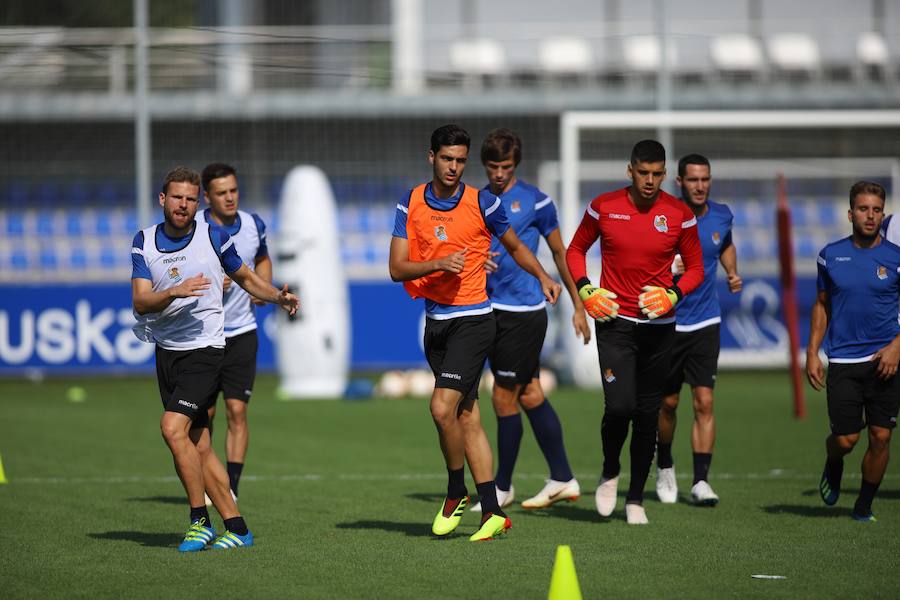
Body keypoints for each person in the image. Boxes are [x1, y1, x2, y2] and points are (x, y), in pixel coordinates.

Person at [389, 124, 561, 541]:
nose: (453, 167)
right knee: (467, 416)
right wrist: (438, 263)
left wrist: (543, 275)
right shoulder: (410, 202)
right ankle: (493, 512)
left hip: (475, 320)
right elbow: (397, 268)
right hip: (437, 323)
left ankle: (454, 492)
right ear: (431, 157)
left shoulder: (483, 202)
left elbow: (517, 246)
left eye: (461, 160)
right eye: (447, 158)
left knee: (441, 408)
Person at [131, 166, 298, 551]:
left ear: (196, 203)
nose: (184, 205)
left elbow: (246, 276)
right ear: (162, 199)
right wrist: (175, 291)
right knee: (199, 444)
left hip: (206, 350)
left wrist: (277, 296)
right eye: (177, 197)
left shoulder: (213, 235)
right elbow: (140, 300)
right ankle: (238, 528)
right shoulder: (144, 242)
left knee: (173, 429)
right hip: (167, 353)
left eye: (190, 199)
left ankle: (199, 522)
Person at [565, 139, 704, 525]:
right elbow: (574, 250)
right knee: (620, 407)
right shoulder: (604, 207)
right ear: (630, 171)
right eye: (643, 173)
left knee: (647, 414)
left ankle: (636, 498)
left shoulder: (679, 214)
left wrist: (673, 294)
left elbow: (695, 268)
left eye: (657, 174)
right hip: (614, 323)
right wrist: (586, 289)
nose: (650, 181)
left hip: (659, 328)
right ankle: (610, 469)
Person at [469, 128, 590, 513]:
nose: (499, 173)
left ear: (515, 165)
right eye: (492, 166)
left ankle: (501, 487)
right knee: (530, 393)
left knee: (503, 396)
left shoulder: (537, 203)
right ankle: (562, 477)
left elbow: (559, 253)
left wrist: (579, 304)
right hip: (488, 309)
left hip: (522, 313)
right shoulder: (475, 201)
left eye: (505, 166)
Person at [806, 180, 900, 523]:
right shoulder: (830, 255)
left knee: (880, 436)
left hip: (885, 361)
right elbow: (821, 305)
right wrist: (812, 351)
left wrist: (897, 347)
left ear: (883, 214)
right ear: (850, 213)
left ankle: (863, 506)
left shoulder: (896, 258)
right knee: (846, 440)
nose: (870, 216)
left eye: (876, 210)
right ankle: (833, 462)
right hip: (844, 361)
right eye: (863, 209)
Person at [656, 154, 742, 506]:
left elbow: (725, 244)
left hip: (706, 321)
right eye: (693, 180)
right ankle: (664, 465)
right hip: (668, 323)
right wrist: (667, 267)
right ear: (679, 182)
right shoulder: (664, 218)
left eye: (705, 179)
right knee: (668, 402)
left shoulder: (721, 215)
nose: (700, 186)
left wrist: (732, 271)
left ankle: (701, 481)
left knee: (704, 401)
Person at [198, 163, 271, 505]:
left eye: (233, 191)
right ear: (207, 196)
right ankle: (207, 477)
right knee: (205, 414)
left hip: (243, 331)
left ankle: (231, 487)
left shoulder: (254, 224)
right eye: (221, 193)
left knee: (237, 412)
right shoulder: (195, 228)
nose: (229, 198)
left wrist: (263, 287)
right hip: (203, 335)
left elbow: (262, 258)